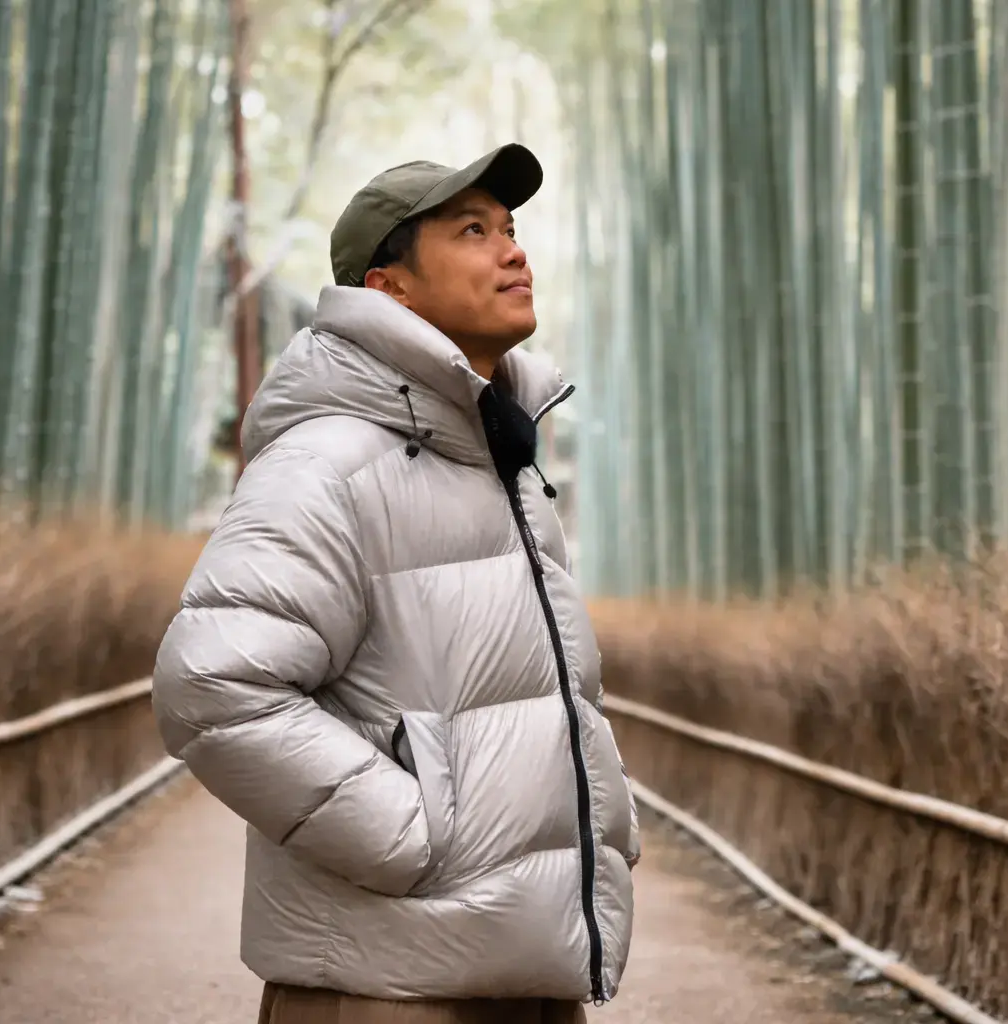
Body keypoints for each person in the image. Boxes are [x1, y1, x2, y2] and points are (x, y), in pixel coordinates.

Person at [150, 143, 640, 1024]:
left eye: (513, 228)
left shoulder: (503, 461)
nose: (514, 250)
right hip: (385, 985)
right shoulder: (329, 462)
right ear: (391, 289)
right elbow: (213, 685)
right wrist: (416, 836)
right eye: (474, 230)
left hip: (523, 969)